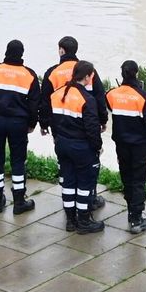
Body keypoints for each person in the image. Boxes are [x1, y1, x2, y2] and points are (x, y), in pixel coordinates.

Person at [40, 35, 106, 210]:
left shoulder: (52, 72)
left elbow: (45, 101)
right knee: (89, 165)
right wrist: (103, 120)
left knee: (67, 167)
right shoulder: (88, 70)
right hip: (87, 127)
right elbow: (99, 96)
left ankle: (69, 204)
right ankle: (89, 199)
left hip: (61, 129)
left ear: (61, 50)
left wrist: (44, 123)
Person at [0, 40, 39, 215]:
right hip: (18, 123)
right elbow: (34, 104)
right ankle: (19, 202)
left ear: (6, 52)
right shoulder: (29, 75)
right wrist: (32, 124)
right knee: (18, 161)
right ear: (22, 54)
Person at [47, 61, 105, 233]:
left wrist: (58, 140)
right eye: (91, 76)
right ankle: (85, 221)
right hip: (81, 147)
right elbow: (92, 129)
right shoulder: (87, 99)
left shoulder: (57, 95)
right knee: (85, 185)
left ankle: (71, 220)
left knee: (69, 183)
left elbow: (53, 122)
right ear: (86, 77)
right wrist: (97, 147)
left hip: (62, 144)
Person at [106, 60, 146, 234]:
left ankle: (131, 208)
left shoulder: (112, 94)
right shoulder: (144, 97)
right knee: (138, 180)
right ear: (136, 73)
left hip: (121, 144)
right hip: (140, 146)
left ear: (121, 73)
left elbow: (106, 106)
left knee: (127, 177)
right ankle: (136, 219)